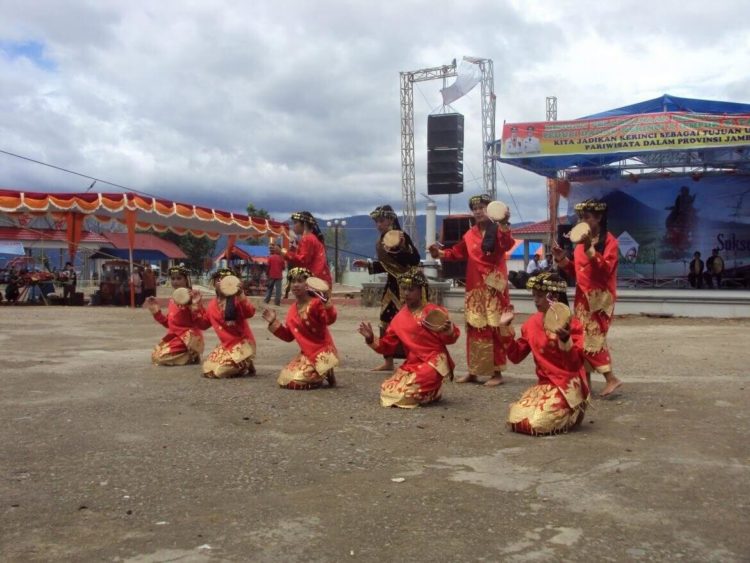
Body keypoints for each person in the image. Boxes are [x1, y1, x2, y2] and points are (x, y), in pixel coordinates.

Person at [429, 194, 515, 386]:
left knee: (495, 327)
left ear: (490, 209)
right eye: (474, 208)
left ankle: (497, 372)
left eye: (482, 207)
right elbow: (457, 252)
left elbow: (507, 244)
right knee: (475, 327)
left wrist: (505, 223)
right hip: (475, 287)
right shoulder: (469, 235)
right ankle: (474, 370)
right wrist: (440, 253)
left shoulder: (498, 230)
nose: (477, 211)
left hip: (494, 288)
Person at [500, 272, 590, 435]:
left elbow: (574, 365)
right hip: (544, 384)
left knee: (536, 424)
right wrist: (504, 329)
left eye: (540, 296)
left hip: (566, 384)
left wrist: (565, 339)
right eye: (534, 295)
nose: (536, 300)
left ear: (554, 297)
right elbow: (516, 356)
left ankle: (574, 409)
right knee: (517, 420)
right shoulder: (531, 323)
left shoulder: (573, 324)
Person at [552, 198, 623, 397]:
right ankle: (586, 382)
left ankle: (611, 378)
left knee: (592, 337)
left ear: (599, 218)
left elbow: (606, 269)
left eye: (587, 217)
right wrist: (561, 258)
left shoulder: (609, 241)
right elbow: (576, 272)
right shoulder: (581, 243)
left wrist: (589, 249)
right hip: (582, 298)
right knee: (580, 337)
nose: (583, 221)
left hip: (600, 299)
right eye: (581, 217)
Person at [358, 271, 460, 408]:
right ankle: (431, 392)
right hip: (412, 363)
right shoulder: (398, 318)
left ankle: (433, 391)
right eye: (404, 289)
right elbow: (387, 346)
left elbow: (450, 339)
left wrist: (449, 331)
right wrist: (371, 338)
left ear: (421, 291)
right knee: (388, 390)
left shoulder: (433, 311)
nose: (406, 293)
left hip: (433, 361)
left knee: (408, 393)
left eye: (411, 289)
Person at [353, 205, 421, 372]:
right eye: (376, 221)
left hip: (407, 286)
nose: (378, 225)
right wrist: (368, 265)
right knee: (386, 318)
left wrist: (403, 248)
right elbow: (386, 265)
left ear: (390, 219)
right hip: (391, 285)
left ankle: (414, 358)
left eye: (381, 220)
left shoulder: (401, 236)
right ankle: (388, 360)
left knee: (411, 322)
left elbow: (414, 260)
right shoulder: (380, 241)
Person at [262, 267, 338, 389]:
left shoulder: (316, 303)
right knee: (284, 379)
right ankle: (322, 372)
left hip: (322, 352)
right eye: (293, 281)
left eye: (300, 281)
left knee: (297, 381)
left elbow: (329, 320)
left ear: (308, 284)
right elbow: (288, 336)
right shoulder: (292, 310)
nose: (296, 285)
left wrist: (327, 304)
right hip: (306, 354)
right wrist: (274, 323)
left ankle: (324, 371)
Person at [146, 265, 210, 366]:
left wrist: (194, 306)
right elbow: (170, 324)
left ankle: (191, 355)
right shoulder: (174, 298)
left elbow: (202, 323)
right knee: (155, 355)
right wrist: (157, 313)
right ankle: (189, 355)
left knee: (160, 359)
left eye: (179, 278)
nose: (175, 281)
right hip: (175, 337)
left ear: (186, 280)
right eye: (173, 278)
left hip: (188, 338)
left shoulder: (193, 296)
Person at [202, 268, 257, 378]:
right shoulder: (212, 304)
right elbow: (203, 325)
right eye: (219, 280)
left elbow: (249, 312)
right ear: (214, 284)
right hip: (227, 345)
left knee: (220, 372)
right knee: (208, 370)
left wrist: (241, 294)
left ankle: (245, 362)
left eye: (226, 280)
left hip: (243, 344)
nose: (223, 283)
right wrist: (195, 307)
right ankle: (245, 363)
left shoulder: (237, 300)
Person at [272, 211, 332, 287]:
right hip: (319, 280)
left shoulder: (307, 239)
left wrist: (282, 251)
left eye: (295, 223)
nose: (293, 226)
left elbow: (301, 260)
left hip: (315, 282)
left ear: (304, 224)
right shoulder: (312, 238)